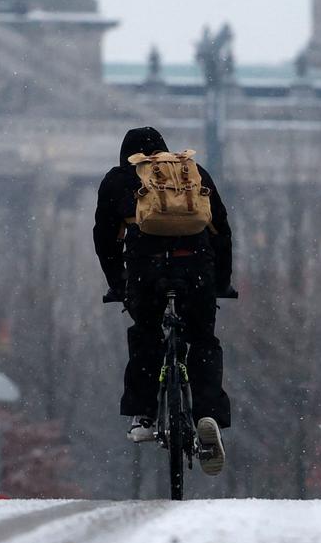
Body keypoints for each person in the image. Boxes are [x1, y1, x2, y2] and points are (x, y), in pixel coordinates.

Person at [93, 126, 234, 476]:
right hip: (196, 264)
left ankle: (142, 415)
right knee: (203, 340)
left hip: (146, 267)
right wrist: (221, 282)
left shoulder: (119, 178)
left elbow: (105, 239)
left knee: (146, 333)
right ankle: (208, 414)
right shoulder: (192, 172)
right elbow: (221, 229)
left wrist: (119, 285)